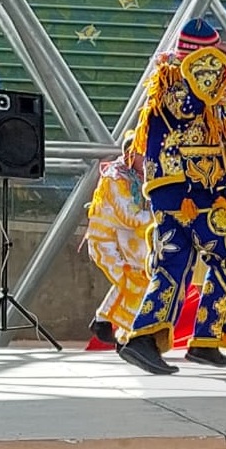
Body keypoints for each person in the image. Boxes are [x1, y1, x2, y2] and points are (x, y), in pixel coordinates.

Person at [117, 19, 226, 376]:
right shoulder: (173, 86)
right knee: (210, 257)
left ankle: (189, 340)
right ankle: (174, 339)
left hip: (197, 194)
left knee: (194, 260)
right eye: (213, 57)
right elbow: (191, 104)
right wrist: (224, 60)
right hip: (185, 195)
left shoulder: (207, 100)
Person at [84, 133, 152, 346]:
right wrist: (160, 215)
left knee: (138, 277)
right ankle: (123, 331)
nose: (148, 158)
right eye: (143, 154)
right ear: (131, 154)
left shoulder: (140, 175)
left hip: (126, 240)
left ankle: (104, 321)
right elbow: (129, 216)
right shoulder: (115, 178)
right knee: (132, 279)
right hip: (104, 241)